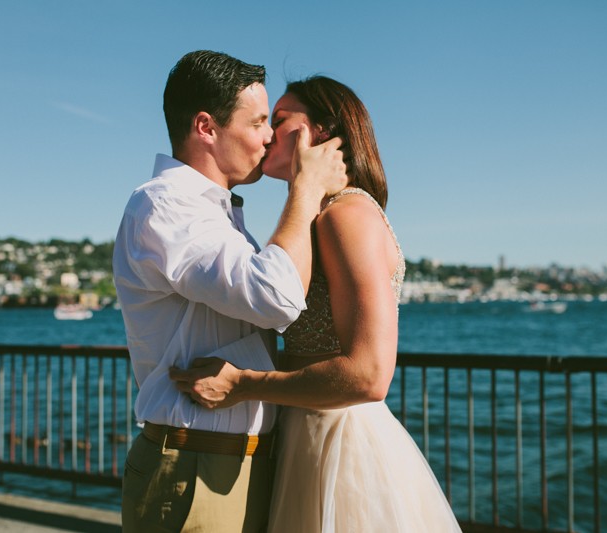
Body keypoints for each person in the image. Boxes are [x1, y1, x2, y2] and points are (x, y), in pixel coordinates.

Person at [171, 76, 462, 532]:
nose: (266, 134)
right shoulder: (318, 217)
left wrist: (243, 384)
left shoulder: (345, 215)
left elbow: (368, 375)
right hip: (308, 434)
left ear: (321, 133)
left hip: (341, 446)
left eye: (280, 120)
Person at [112, 51, 348, 532]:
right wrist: (305, 191)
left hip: (234, 458)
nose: (269, 136)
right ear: (206, 127)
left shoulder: (216, 214)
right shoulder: (165, 206)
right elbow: (276, 297)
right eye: (260, 121)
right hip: (195, 460)